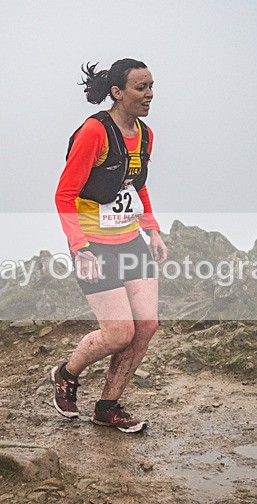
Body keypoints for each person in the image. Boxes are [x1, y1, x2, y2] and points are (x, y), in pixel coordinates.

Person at [52, 58, 168, 433]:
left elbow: (136, 185)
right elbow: (64, 195)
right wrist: (80, 247)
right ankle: (66, 374)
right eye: (140, 88)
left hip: (130, 240)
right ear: (117, 93)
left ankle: (107, 406)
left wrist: (152, 230)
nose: (149, 94)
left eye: (151, 86)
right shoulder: (93, 133)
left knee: (146, 325)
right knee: (119, 333)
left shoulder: (145, 135)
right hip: (93, 244)